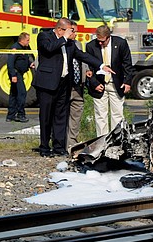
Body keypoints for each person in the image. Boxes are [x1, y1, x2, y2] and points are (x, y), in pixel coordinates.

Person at [32, 18, 112, 157]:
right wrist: (63, 38)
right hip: (47, 84)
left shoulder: (69, 43)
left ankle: (59, 147)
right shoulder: (45, 36)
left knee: (61, 116)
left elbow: (82, 55)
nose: (73, 33)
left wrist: (101, 65)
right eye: (71, 30)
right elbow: (49, 49)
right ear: (60, 29)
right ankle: (44, 147)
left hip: (63, 84)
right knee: (46, 117)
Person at [86, 25, 134, 136]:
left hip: (116, 84)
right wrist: (94, 83)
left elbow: (127, 64)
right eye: (98, 41)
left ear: (108, 37)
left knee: (117, 115)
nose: (100, 44)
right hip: (99, 85)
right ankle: (102, 142)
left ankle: (116, 141)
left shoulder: (121, 43)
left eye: (102, 41)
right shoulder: (91, 46)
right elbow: (89, 68)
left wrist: (127, 82)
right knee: (100, 116)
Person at [67, 23, 87, 151]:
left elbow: (82, 59)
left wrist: (86, 71)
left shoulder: (78, 44)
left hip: (78, 85)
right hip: (65, 86)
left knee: (76, 115)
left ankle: (72, 142)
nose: (76, 35)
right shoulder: (58, 43)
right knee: (61, 116)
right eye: (74, 32)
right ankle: (59, 142)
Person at [6, 32, 32, 123]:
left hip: (20, 73)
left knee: (14, 94)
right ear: (22, 40)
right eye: (27, 40)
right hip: (16, 74)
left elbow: (24, 59)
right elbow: (10, 63)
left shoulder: (24, 48)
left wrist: (30, 64)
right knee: (22, 93)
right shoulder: (15, 48)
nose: (29, 42)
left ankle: (10, 115)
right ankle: (21, 114)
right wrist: (13, 75)